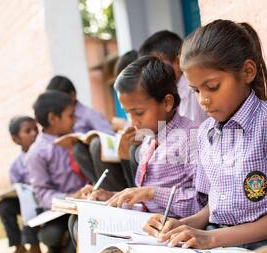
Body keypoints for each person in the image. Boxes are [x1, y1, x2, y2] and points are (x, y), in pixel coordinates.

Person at [117, 19, 267, 253]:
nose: (203, 100)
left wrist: (213, 238)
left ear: (247, 71)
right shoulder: (207, 132)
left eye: (212, 86)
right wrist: (181, 224)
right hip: (221, 239)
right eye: (196, 90)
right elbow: (212, 207)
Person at [82, 55, 204, 216]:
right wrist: (112, 197)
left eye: (139, 112)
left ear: (167, 103)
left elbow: (201, 203)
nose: (133, 121)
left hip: (176, 226)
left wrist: (151, 193)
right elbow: (147, 204)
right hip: (146, 221)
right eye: (127, 113)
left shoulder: (191, 138)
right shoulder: (149, 141)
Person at [26, 90, 87, 253]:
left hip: (88, 200)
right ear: (53, 118)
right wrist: (70, 198)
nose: (74, 120)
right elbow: (42, 193)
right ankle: (61, 252)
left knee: (87, 228)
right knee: (51, 235)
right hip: (62, 209)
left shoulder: (77, 138)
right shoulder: (37, 153)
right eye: (70, 115)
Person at [46, 75, 130, 191]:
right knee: (77, 149)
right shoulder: (58, 121)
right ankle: (100, 188)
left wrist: (90, 140)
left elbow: (109, 137)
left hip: (106, 161)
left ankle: (110, 190)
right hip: (87, 168)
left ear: (72, 95)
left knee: (96, 144)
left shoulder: (90, 115)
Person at [0, 116, 41, 253]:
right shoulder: (16, 165)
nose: (34, 133)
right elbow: (16, 188)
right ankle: (19, 247)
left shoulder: (44, 152)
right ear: (16, 139)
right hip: (28, 201)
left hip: (44, 199)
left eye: (36, 129)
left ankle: (35, 249)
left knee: (28, 199)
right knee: (5, 206)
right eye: (28, 131)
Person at [139, 30, 208, 125]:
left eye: (159, 65)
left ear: (178, 60)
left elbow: (193, 130)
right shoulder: (172, 90)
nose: (155, 72)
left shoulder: (189, 88)